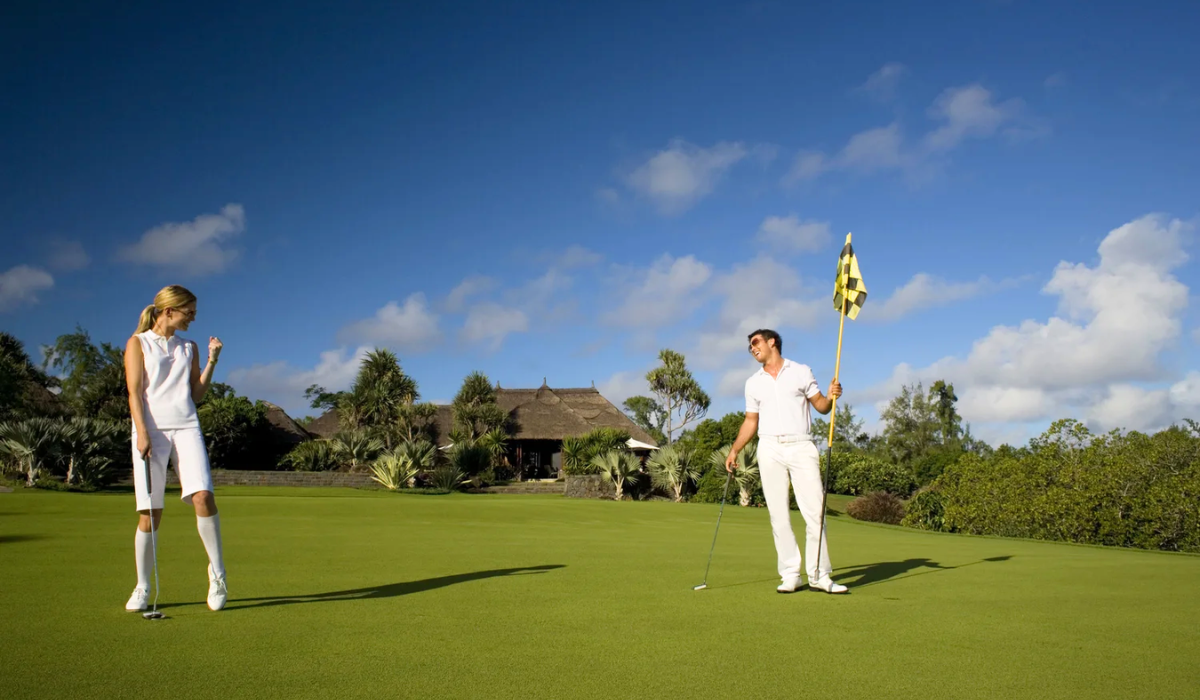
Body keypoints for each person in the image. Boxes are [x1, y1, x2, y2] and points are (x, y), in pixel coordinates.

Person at [122, 285, 228, 612]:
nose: (193, 319)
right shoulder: (137, 344)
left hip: (187, 426)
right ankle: (142, 586)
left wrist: (212, 361)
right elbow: (135, 392)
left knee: (203, 496)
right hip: (150, 430)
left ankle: (218, 575)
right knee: (150, 513)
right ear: (169, 311)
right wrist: (141, 433)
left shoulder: (189, 347)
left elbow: (196, 394)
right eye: (189, 313)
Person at [725, 328, 848, 595]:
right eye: (750, 346)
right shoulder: (753, 382)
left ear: (772, 342)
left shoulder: (801, 371)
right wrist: (734, 450)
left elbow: (822, 406)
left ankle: (820, 575)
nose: (752, 348)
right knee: (778, 514)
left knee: (815, 513)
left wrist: (831, 394)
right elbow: (750, 421)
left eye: (756, 343)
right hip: (769, 447)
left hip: (802, 445)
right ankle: (791, 574)